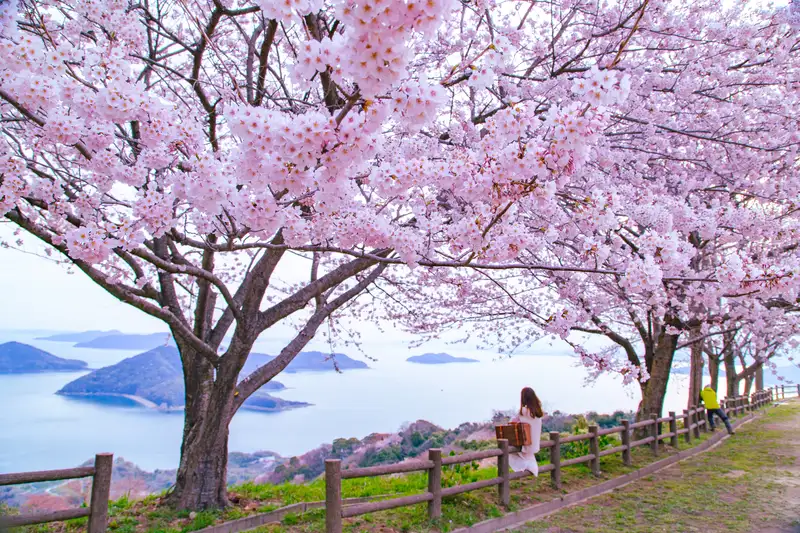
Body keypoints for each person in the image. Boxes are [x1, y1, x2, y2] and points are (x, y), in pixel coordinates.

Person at [508, 387, 544, 476]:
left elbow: (512, 422)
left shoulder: (523, 411)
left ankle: (525, 467)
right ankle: (529, 467)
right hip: (535, 444)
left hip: (525, 444)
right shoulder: (538, 412)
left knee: (509, 454)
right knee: (528, 459)